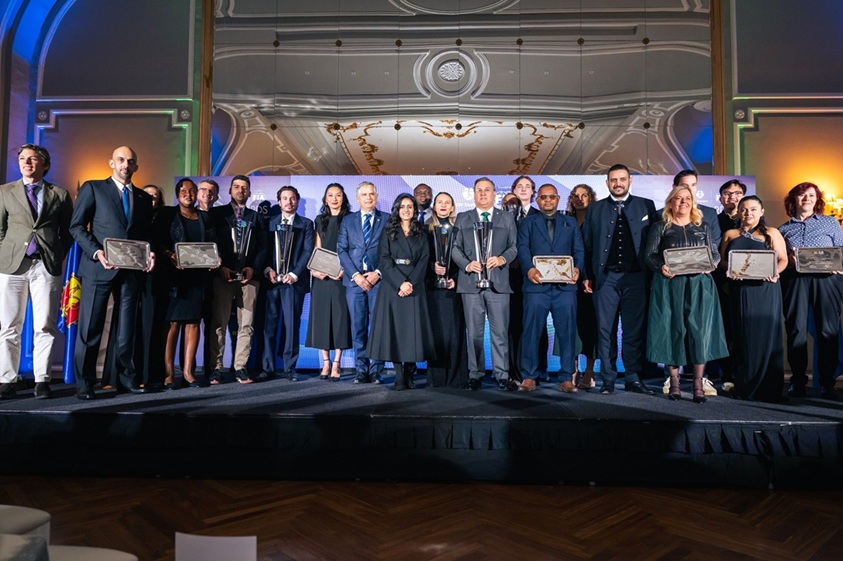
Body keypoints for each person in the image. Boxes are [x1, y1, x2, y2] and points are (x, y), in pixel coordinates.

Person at [69, 145, 156, 400]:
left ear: (136, 166)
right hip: (98, 269)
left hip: (131, 272)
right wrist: (97, 252)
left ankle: (125, 378)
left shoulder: (142, 198)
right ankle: (85, 383)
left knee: (126, 329)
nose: (125, 165)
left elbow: (144, 236)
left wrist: (149, 253)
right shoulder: (93, 188)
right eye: (121, 159)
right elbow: (76, 227)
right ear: (111, 163)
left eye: (130, 161)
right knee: (90, 328)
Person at [0, 144, 73, 400]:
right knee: (9, 325)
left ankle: (42, 380)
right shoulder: (4, 191)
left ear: (45, 164)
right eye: (22, 159)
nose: (27, 163)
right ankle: (7, 379)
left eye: (33, 159)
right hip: (11, 267)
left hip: (45, 265)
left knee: (45, 325)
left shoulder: (60, 194)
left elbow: (68, 231)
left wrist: (55, 255)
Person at [644, 184, 727, 403]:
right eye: (678, 198)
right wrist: (660, 266)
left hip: (699, 285)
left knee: (699, 332)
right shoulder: (660, 226)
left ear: (692, 202)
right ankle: (674, 382)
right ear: (670, 202)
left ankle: (698, 384)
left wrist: (711, 264)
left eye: (687, 199)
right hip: (669, 285)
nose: (683, 202)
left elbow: (715, 254)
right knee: (673, 329)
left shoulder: (704, 227)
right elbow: (650, 255)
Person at [582, 164, 659, 395]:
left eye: (622, 179)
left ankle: (633, 378)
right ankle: (607, 379)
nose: (618, 183)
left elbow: (656, 242)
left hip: (636, 278)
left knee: (633, 331)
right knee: (605, 331)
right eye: (613, 180)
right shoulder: (594, 209)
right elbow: (587, 246)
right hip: (605, 280)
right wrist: (586, 276)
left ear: (629, 181)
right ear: (607, 183)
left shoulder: (647, 205)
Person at [452, 177, 518, 391]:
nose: (483, 194)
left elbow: (514, 247)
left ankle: (502, 375)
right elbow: (454, 248)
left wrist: (502, 259)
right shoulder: (462, 218)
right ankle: (475, 374)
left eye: (487, 190)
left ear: (494, 193)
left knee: (500, 333)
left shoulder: (507, 218)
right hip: (470, 283)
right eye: (479, 190)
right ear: (474, 193)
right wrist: (466, 264)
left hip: (499, 284)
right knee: (474, 334)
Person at [720, 196, 788, 402]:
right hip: (740, 291)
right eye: (744, 209)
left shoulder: (773, 233)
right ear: (739, 212)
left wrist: (776, 273)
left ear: (761, 211)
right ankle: (745, 385)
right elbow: (722, 261)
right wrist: (730, 270)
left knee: (767, 335)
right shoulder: (730, 234)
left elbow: (783, 258)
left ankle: (770, 388)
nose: (748, 213)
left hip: (766, 290)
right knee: (742, 336)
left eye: (753, 209)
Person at [779, 182, 843, 400]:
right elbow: (778, 259)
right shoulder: (783, 229)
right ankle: (797, 382)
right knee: (796, 330)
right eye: (801, 195)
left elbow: (841, 250)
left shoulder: (830, 223)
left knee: (828, 330)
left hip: (826, 281)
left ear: (817, 200)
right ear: (793, 200)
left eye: (811, 195)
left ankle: (827, 383)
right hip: (795, 281)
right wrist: (789, 259)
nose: (806, 198)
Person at [517, 184, 584, 393]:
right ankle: (529, 376)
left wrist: (578, 270)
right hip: (536, 287)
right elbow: (523, 248)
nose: (547, 201)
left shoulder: (570, 222)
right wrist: (528, 269)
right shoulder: (527, 222)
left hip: (565, 288)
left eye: (552, 197)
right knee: (531, 333)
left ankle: (566, 377)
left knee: (567, 333)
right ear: (538, 200)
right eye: (543, 197)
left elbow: (579, 250)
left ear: (557, 199)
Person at [367, 194, 436, 390]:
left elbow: (424, 259)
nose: (406, 210)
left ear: (415, 210)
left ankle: (409, 373)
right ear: (397, 209)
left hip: (415, 285)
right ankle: (398, 375)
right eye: (402, 206)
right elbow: (384, 260)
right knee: (394, 331)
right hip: (392, 285)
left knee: (413, 331)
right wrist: (400, 283)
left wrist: (411, 283)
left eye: (410, 207)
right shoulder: (388, 231)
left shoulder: (422, 232)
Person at [155, 178, 217, 389]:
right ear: (177, 193)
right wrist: (169, 255)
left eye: (192, 191)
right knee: (172, 324)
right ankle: (169, 372)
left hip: (197, 278)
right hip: (173, 278)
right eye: (184, 190)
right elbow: (157, 240)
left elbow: (212, 243)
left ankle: (189, 372)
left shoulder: (204, 217)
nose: (188, 194)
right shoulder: (167, 214)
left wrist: (214, 259)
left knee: (193, 323)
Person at [208, 175, 266, 385]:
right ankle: (216, 368)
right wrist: (220, 266)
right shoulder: (216, 214)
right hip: (223, 275)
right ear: (230, 190)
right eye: (237, 187)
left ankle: (240, 367)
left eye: (245, 188)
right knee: (219, 323)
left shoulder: (256, 217)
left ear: (250, 192)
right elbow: (210, 242)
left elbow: (263, 247)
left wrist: (254, 268)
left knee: (246, 325)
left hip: (249, 278)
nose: (241, 190)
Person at [258, 186, 315, 382]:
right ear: (279, 201)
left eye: (292, 199)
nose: (289, 202)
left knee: (292, 326)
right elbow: (262, 250)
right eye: (284, 198)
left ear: (297, 201)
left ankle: (290, 369)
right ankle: (268, 368)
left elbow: (308, 251)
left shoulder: (306, 224)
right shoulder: (269, 223)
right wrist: (267, 269)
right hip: (271, 282)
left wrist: (294, 273)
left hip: (293, 283)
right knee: (269, 326)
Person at [337, 181, 388, 384]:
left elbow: (391, 250)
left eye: (371, 194)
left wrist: (378, 272)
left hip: (378, 281)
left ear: (376, 196)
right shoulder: (347, 221)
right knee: (358, 327)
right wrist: (356, 276)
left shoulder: (387, 219)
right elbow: (342, 250)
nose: (368, 197)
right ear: (357, 198)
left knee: (377, 326)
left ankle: (376, 370)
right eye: (364, 194)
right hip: (354, 282)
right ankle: (361, 369)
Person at [306, 183, 352, 381]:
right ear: (325, 199)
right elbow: (317, 249)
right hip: (322, 278)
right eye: (330, 195)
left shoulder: (350, 220)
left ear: (344, 198)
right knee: (322, 318)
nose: (334, 199)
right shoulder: (319, 220)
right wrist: (316, 270)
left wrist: (345, 270)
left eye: (338, 195)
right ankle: (325, 362)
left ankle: (337, 363)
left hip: (343, 276)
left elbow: (353, 248)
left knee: (341, 318)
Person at [507, 175, 549, 383]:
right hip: (510, 277)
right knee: (514, 324)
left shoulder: (541, 216)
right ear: (513, 189)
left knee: (537, 324)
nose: (523, 189)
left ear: (533, 192)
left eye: (528, 186)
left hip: (535, 276)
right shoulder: (503, 215)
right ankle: (514, 370)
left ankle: (539, 369)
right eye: (519, 186)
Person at [425, 192, 469, 388]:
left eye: (447, 203)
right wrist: (432, 267)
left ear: (452, 207)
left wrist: (456, 280)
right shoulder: (424, 230)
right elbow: (419, 259)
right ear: (434, 206)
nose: (443, 205)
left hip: (454, 291)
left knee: (455, 332)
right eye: (440, 202)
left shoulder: (460, 231)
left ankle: (456, 378)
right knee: (436, 334)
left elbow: (467, 259)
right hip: (432, 290)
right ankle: (436, 379)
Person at [713, 178, 747, 392]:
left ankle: (747, 372)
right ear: (721, 198)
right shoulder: (713, 221)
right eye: (727, 193)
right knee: (725, 330)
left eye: (736, 193)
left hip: (751, 287)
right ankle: (727, 373)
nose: (732, 197)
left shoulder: (757, 222)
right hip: (722, 285)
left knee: (746, 330)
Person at [565, 183, 598, 389]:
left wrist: (588, 275)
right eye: (575, 196)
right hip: (569, 280)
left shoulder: (597, 220)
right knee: (571, 326)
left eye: (584, 195)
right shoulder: (565, 221)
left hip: (593, 280)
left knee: (591, 326)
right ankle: (573, 369)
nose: (580, 199)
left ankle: (590, 371)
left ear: (591, 198)